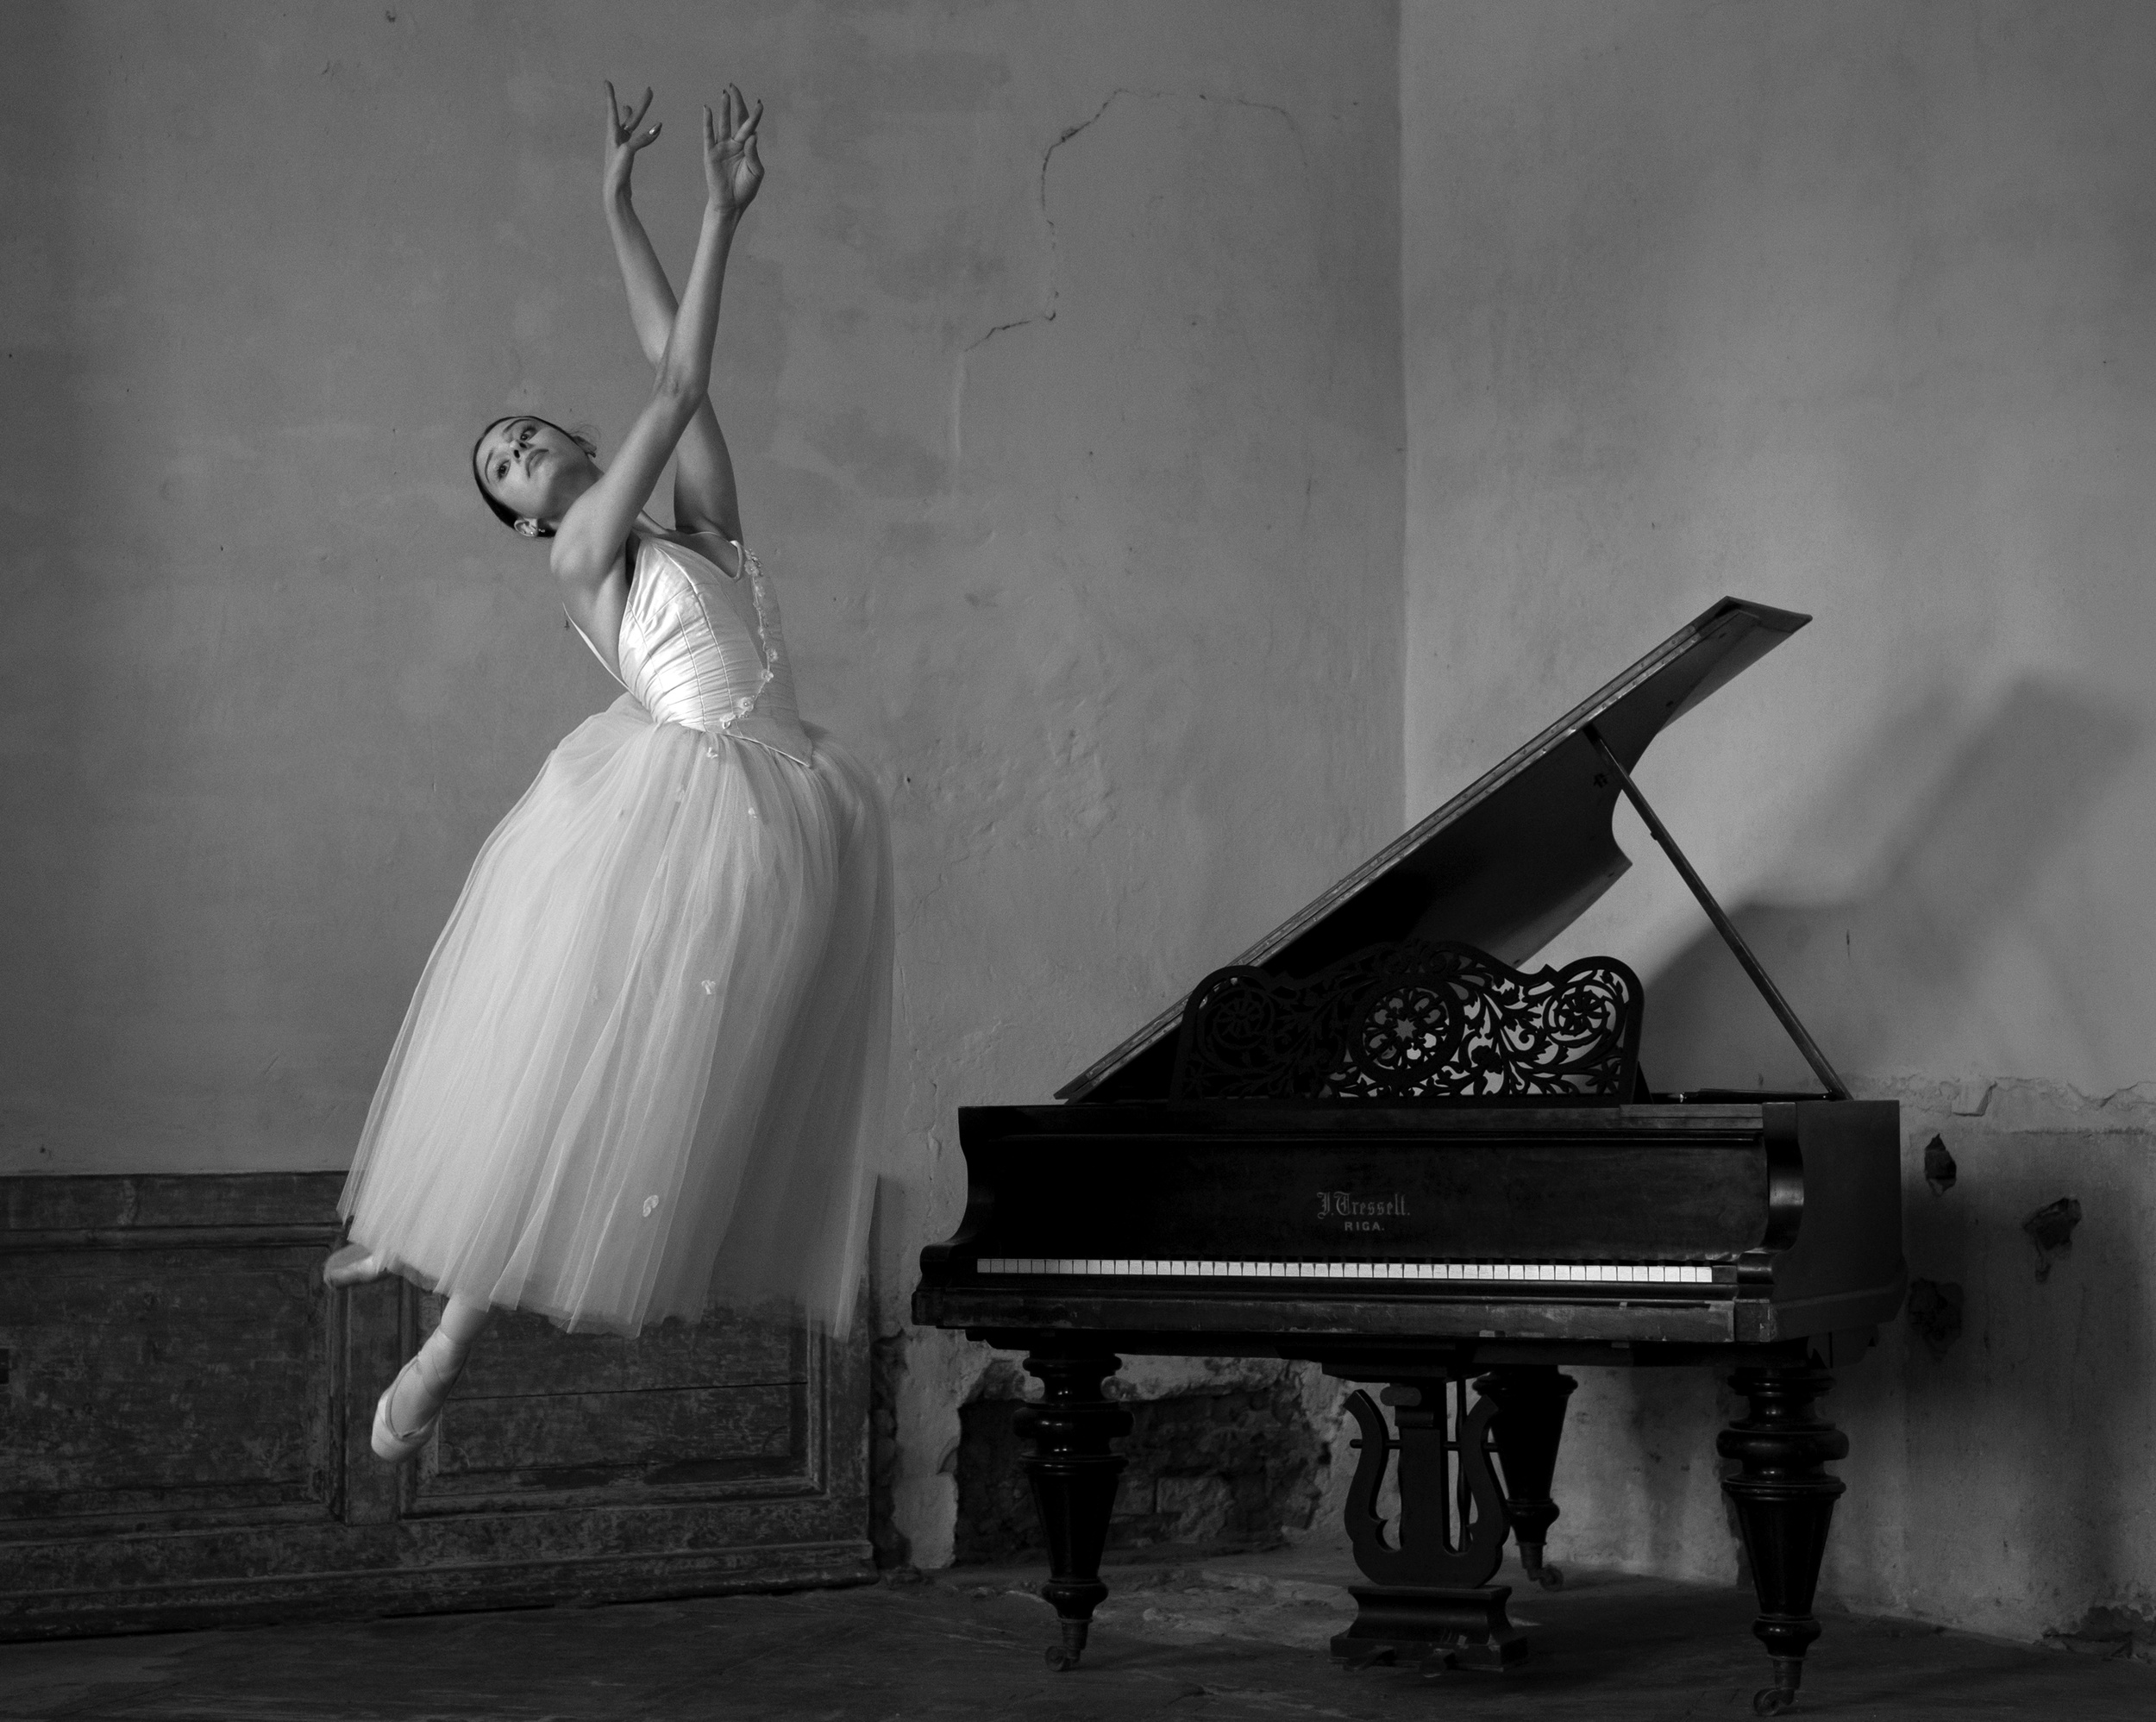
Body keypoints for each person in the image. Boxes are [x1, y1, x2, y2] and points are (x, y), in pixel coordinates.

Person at [329, 84, 893, 1464]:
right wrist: (708, 219)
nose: (518, 451)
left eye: (525, 433)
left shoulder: (707, 530)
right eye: (502, 470)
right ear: (530, 525)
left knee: (660, 1098)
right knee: (585, 1064)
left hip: (783, 813)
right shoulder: (585, 562)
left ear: (582, 443)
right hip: (683, 812)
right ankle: (447, 1335)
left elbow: (673, 369)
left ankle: (453, 1290)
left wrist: (640, 208)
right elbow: (676, 383)